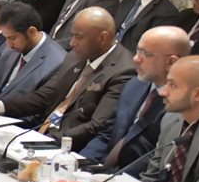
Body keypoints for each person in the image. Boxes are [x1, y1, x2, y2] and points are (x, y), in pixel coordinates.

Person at [0, 7, 134, 149]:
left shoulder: (123, 71)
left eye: (78, 36)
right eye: (72, 35)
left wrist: (47, 141)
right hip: (41, 132)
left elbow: (95, 126)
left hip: (69, 146)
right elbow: (45, 96)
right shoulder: (75, 56)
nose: (72, 43)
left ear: (102, 38)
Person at [81, 25, 191, 170]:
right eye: (138, 50)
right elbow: (108, 134)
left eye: (146, 54)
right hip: (103, 169)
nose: (136, 58)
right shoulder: (134, 84)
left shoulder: (183, 104)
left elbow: (157, 159)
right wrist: (81, 163)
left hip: (134, 178)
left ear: (171, 62)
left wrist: (111, 178)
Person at [0, 1, 66, 104]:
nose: (8, 44)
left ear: (32, 32)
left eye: (12, 38)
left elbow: (38, 107)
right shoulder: (11, 49)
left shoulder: (57, 63)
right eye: (6, 38)